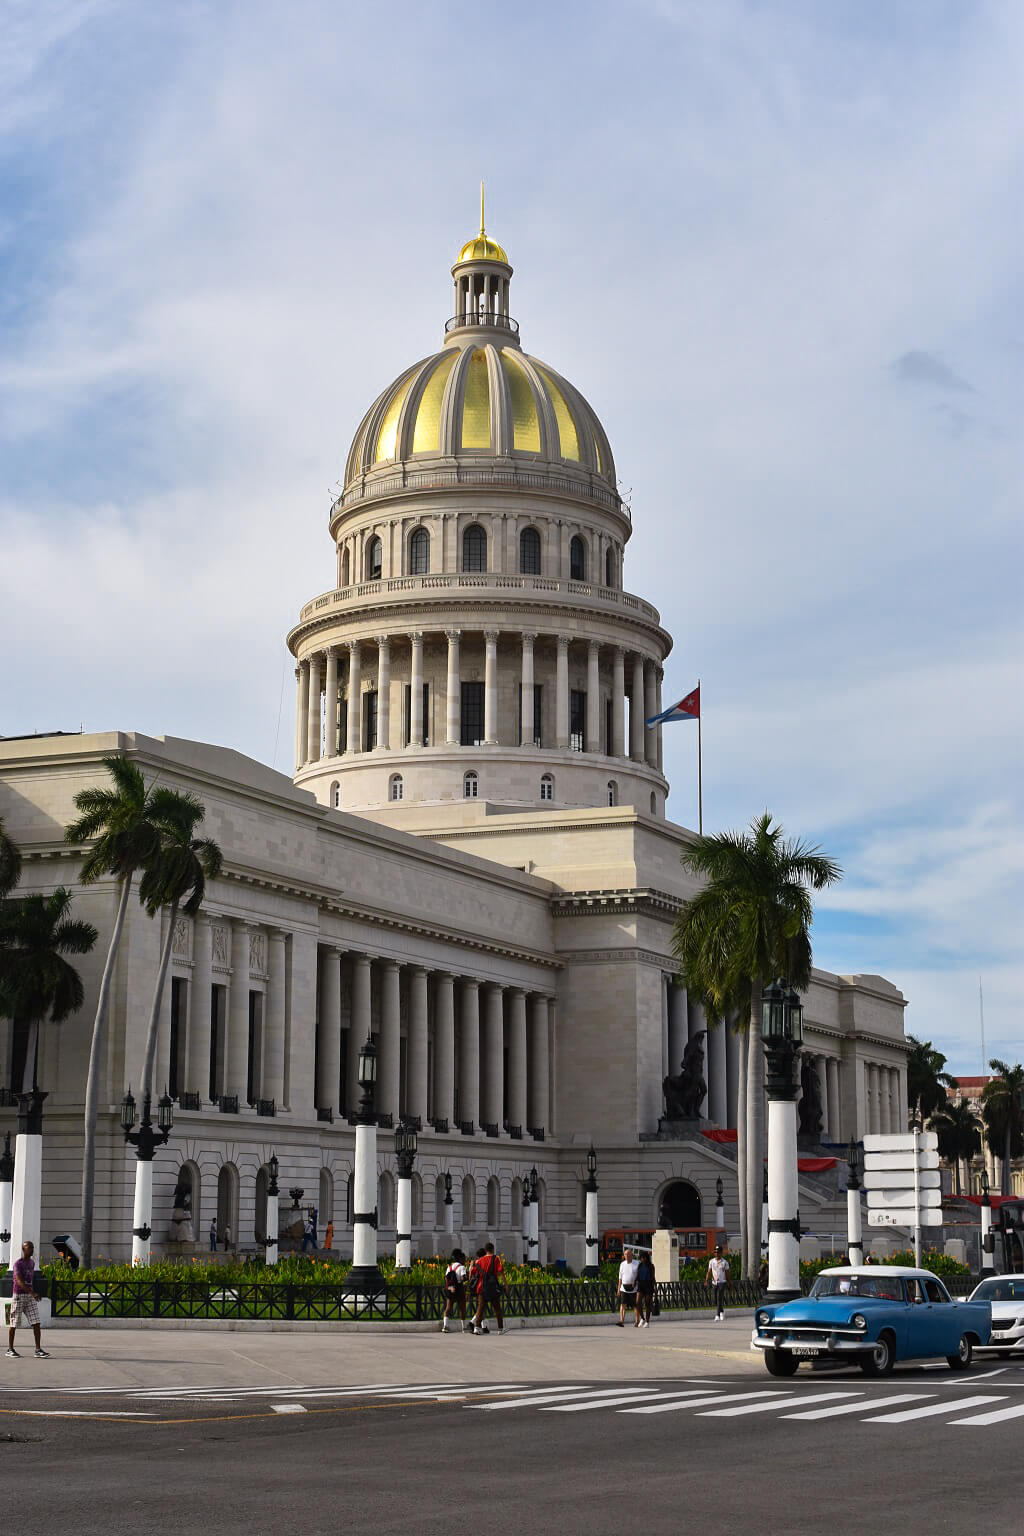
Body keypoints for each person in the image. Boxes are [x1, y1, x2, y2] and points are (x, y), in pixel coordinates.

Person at [6, 1240, 49, 1359]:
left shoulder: (32, 1263)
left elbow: (30, 1280)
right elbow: (19, 1281)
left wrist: (34, 1293)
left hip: (30, 1297)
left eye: (32, 1248)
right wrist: (32, 1293)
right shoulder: (17, 1264)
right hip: (19, 1296)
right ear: (23, 1249)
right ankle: (10, 1349)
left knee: (36, 1322)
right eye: (29, 1248)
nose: (32, 1250)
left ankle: (38, 1349)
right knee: (14, 1322)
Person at [473, 1242, 505, 1336]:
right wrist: (505, 1284)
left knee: (480, 1308)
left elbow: (475, 1272)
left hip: (482, 1287)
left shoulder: (480, 1260)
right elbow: (500, 1272)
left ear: (486, 1250)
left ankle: (476, 1328)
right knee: (497, 1308)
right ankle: (500, 1329)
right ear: (493, 1249)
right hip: (492, 1287)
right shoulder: (496, 1258)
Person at [442, 1247, 470, 1334]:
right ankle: (464, 1327)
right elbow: (463, 1278)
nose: (465, 1261)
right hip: (459, 1289)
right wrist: (468, 1277)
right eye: (464, 1259)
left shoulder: (449, 1267)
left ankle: (445, 1326)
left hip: (450, 1289)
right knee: (462, 1308)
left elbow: (446, 1278)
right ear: (460, 1258)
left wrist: (450, 1287)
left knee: (448, 1307)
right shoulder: (462, 1267)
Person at [616, 1246, 640, 1327]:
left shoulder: (637, 1263)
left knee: (635, 1306)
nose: (627, 1256)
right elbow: (620, 1278)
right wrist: (618, 1289)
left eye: (628, 1254)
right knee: (623, 1304)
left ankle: (637, 1321)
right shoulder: (622, 1264)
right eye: (625, 1255)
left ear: (632, 1255)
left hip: (634, 1288)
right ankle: (621, 1321)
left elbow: (639, 1276)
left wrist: (636, 1283)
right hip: (624, 1288)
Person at [706, 1244, 729, 1320]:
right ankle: (721, 1311)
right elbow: (709, 1272)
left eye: (718, 1252)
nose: (716, 1253)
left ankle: (717, 1315)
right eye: (715, 1252)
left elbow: (727, 1273)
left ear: (721, 1253)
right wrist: (706, 1280)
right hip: (714, 1282)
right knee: (714, 1299)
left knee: (719, 1298)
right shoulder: (711, 1261)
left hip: (722, 1282)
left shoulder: (725, 1262)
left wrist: (729, 1282)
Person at [636, 1250, 655, 1327]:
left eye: (644, 1258)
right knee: (637, 1302)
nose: (642, 1259)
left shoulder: (651, 1266)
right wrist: (635, 1282)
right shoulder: (640, 1265)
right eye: (641, 1258)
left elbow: (653, 1277)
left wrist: (654, 1288)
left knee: (647, 1304)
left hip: (649, 1285)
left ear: (647, 1258)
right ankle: (642, 1318)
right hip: (641, 1285)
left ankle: (647, 1321)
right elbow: (638, 1274)